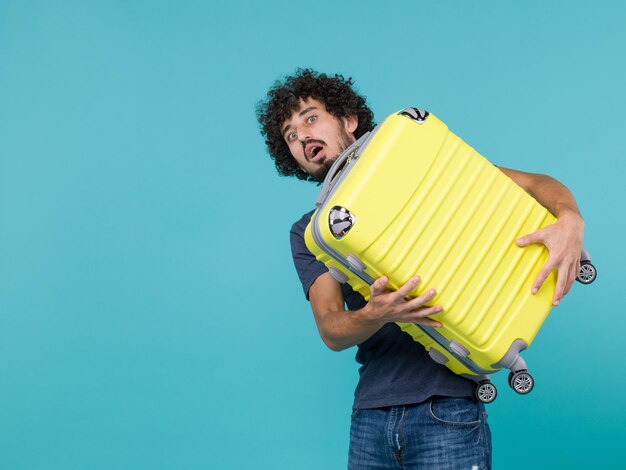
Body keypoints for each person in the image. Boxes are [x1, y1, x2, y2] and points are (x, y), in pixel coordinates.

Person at [256, 69, 584, 469]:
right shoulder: (312, 232)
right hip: (370, 418)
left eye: (310, 118)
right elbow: (331, 329)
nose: (302, 136)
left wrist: (569, 219)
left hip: (447, 412)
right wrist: (376, 314)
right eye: (290, 134)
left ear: (349, 119)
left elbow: (535, 183)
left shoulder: (417, 162)